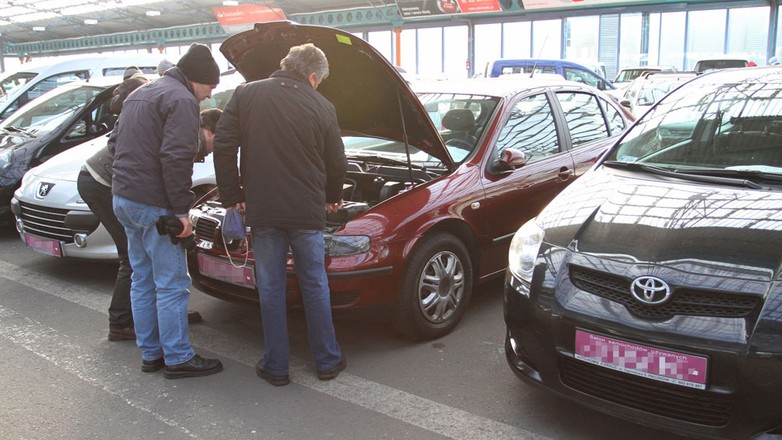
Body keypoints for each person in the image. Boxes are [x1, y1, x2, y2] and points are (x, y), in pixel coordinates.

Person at [214, 43, 347, 386]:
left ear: (285, 63)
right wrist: (333, 197)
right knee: (314, 283)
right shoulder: (323, 106)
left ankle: (276, 366)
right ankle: (327, 361)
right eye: (319, 81)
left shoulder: (246, 94)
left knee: (271, 286)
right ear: (313, 76)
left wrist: (232, 196)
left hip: (263, 209)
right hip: (307, 211)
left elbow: (224, 146)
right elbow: (336, 161)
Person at [111, 43, 223, 379]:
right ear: (197, 79)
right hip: (155, 205)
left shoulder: (141, 93)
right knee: (172, 283)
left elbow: (114, 143)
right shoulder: (182, 100)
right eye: (210, 86)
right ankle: (178, 357)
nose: (210, 94)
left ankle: (151, 353)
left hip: (124, 198)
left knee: (142, 279)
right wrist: (181, 212)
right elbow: (176, 158)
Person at [77, 73, 149, 342]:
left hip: (100, 180)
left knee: (144, 252)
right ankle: (119, 322)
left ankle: (158, 310)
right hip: (99, 183)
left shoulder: (143, 113)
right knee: (132, 255)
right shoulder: (144, 116)